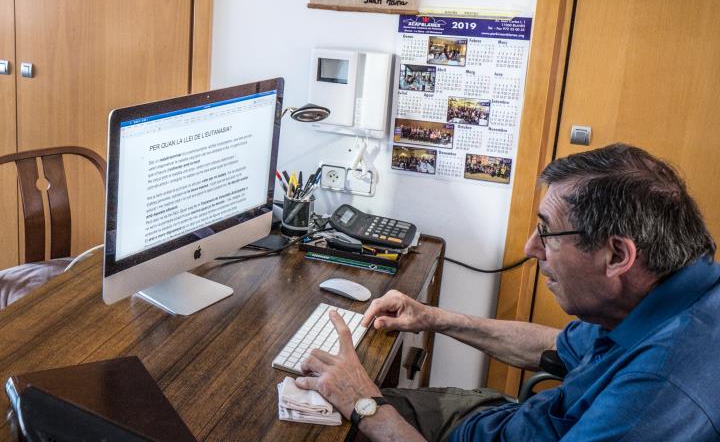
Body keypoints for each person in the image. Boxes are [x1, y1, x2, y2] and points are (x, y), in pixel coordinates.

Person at [296, 143, 719, 441]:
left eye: (547, 233)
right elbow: (556, 346)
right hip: (511, 420)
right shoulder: (666, 299)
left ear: (617, 255)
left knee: (319, 422)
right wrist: (432, 317)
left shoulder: (661, 387)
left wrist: (365, 404)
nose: (530, 249)